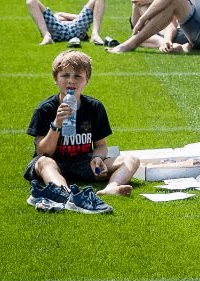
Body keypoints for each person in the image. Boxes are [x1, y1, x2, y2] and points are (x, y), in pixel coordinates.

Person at [24, 50, 140, 212]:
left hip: (84, 162)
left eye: (78, 76)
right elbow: (43, 152)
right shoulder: (45, 109)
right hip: (56, 161)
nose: (71, 81)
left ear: (86, 80)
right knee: (44, 163)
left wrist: (97, 158)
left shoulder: (94, 107)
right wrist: (56, 124)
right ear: (56, 79)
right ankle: (65, 193)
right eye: (65, 75)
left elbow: (101, 145)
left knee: (131, 159)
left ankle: (111, 188)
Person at [26, 0, 107, 47]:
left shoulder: (62, 16)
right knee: (31, 0)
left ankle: (95, 35)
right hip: (58, 29)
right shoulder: (55, 18)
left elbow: (78, 17)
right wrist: (61, 16)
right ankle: (47, 36)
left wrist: (62, 14)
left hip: (75, 28)